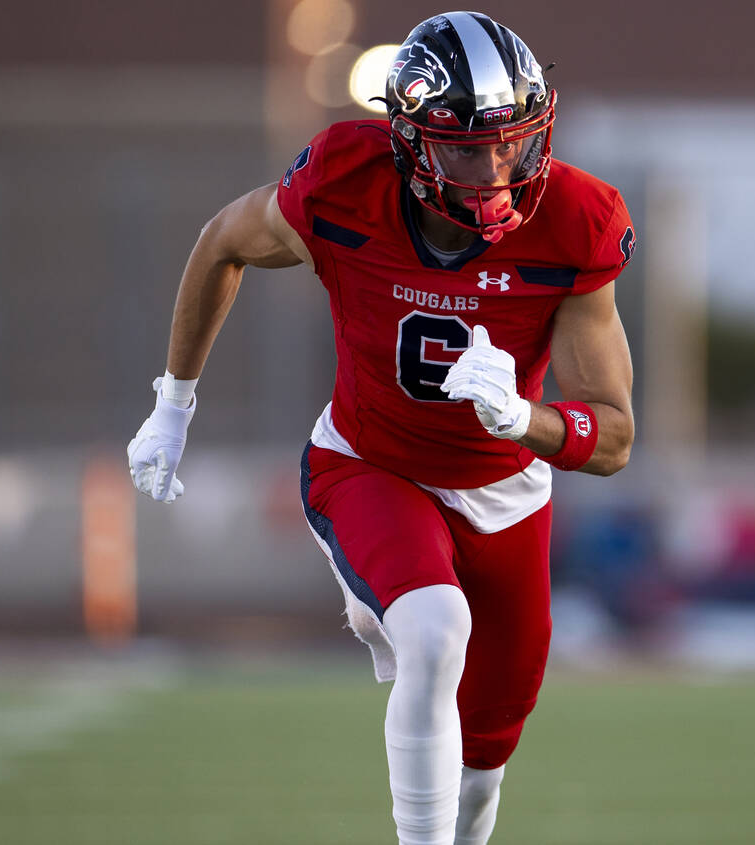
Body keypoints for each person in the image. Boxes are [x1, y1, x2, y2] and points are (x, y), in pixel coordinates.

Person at [128, 11, 635, 844]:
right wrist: (173, 402)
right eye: (469, 147)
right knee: (437, 633)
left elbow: (613, 438)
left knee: (485, 759)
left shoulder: (574, 219)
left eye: (514, 140)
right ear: (407, 141)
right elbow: (222, 241)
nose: (498, 166)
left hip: (504, 492)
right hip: (370, 463)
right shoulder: (343, 183)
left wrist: (524, 418)